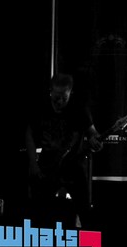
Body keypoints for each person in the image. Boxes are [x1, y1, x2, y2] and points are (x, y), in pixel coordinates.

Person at [24, 72, 103, 228]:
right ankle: (40, 241)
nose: (59, 101)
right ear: (50, 91)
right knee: (38, 212)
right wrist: (33, 163)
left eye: (64, 98)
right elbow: (29, 133)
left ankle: (90, 243)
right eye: (56, 97)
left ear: (70, 93)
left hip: (74, 166)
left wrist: (96, 141)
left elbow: (93, 132)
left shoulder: (79, 109)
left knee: (85, 212)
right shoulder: (41, 107)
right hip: (47, 166)